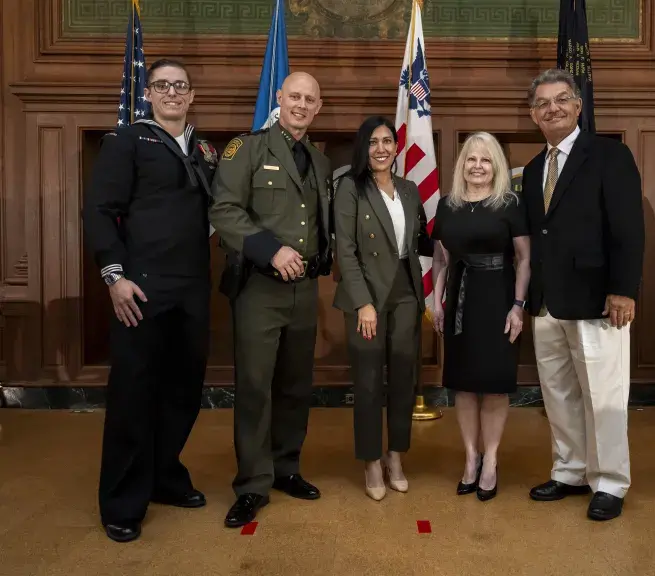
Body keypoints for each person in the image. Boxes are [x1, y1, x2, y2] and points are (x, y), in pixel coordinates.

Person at [82, 59, 217, 543]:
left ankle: (163, 477)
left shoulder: (203, 149)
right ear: (150, 94)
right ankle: (121, 501)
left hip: (191, 289)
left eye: (181, 86)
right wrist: (114, 276)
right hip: (140, 288)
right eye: (163, 85)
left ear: (191, 94)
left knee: (183, 390)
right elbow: (99, 210)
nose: (173, 93)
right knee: (133, 395)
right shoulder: (126, 141)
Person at [209, 72, 333, 528]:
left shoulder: (319, 163)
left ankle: (287, 468)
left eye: (309, 99)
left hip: (304, 290)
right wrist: (269, 248)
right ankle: (253, 484)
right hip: (260, 287)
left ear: (318, 107)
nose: (301, 105)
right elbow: (223, 209)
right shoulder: (248, 149)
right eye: (294, 96)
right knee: (257, 387)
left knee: (296, 386)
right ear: (278, 98)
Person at [522, 69, 644, 521]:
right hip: (548, 302)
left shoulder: (610, 155)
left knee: (604, 395)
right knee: (558, 394)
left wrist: (623, 290)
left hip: (598, 300)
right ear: (534, 114)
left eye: (560, 100)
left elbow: (628, 229)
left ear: (577, 106)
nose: (551, 108)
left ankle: (610, 482)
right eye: (542, 104)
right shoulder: (534, 168)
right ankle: (570, 471)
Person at [332, 116, 434, 501]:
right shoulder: (349, 188)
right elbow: (346, 250)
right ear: (364, 148)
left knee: (404, 382)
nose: (381, 149)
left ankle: (396, 457)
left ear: (396, 146)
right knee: (370, 383)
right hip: (367, 301)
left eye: (387, 141)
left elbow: (416, 242)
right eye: (373, 142)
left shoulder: (408, 189)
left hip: (406, 296)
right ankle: (371, 461)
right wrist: (363, 303)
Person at [430, 132, 530, 502]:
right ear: (462, 165)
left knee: (493, 383)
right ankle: (471, 458)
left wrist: (518, 306)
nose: (477, 166)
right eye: (471, 159)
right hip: (459, 297)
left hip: (498, 297)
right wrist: (437, 302)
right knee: (465, 384)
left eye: (485, 160)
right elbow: (441, 259)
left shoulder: (509, 203)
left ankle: (492, 460)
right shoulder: (447, 205)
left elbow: (524, 259)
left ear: (496, 166)